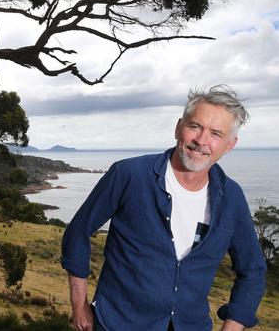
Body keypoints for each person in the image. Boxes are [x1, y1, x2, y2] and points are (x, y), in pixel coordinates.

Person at [61, 86, 266, 331]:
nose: (201, 141)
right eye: (195, 126)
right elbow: (78, 233)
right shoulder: (129, 175)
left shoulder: (231, 197)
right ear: (179, 127)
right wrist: (79, 305)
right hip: (117, 323)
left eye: (215, 134)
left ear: (229, 145)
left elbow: (253, 269)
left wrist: (232, 327)